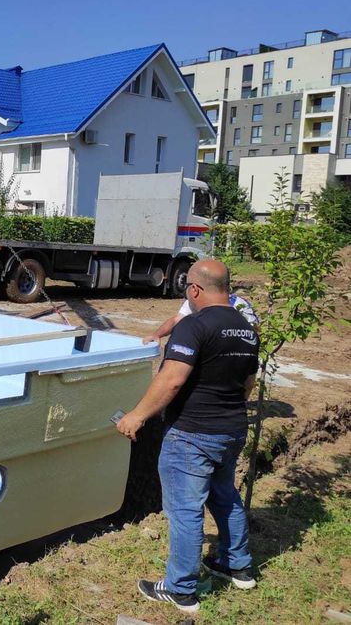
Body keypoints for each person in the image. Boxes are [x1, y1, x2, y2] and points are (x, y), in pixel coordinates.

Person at [116, 259, 259, 615]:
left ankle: (181, 589)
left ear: (195, 289)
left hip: (192, 436)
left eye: (187, 290)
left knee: (185, 511)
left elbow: (172, 379)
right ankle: (237, 565)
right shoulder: (247, 328)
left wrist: (136, 416)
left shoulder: (193, 326)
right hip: (232, 430)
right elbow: (247, 383)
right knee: (225, 496)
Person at [143, 287, 258, 344]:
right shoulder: (195, 300)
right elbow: (177, 320)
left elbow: (254, 331)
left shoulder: (239, 305)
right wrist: (156, 335)